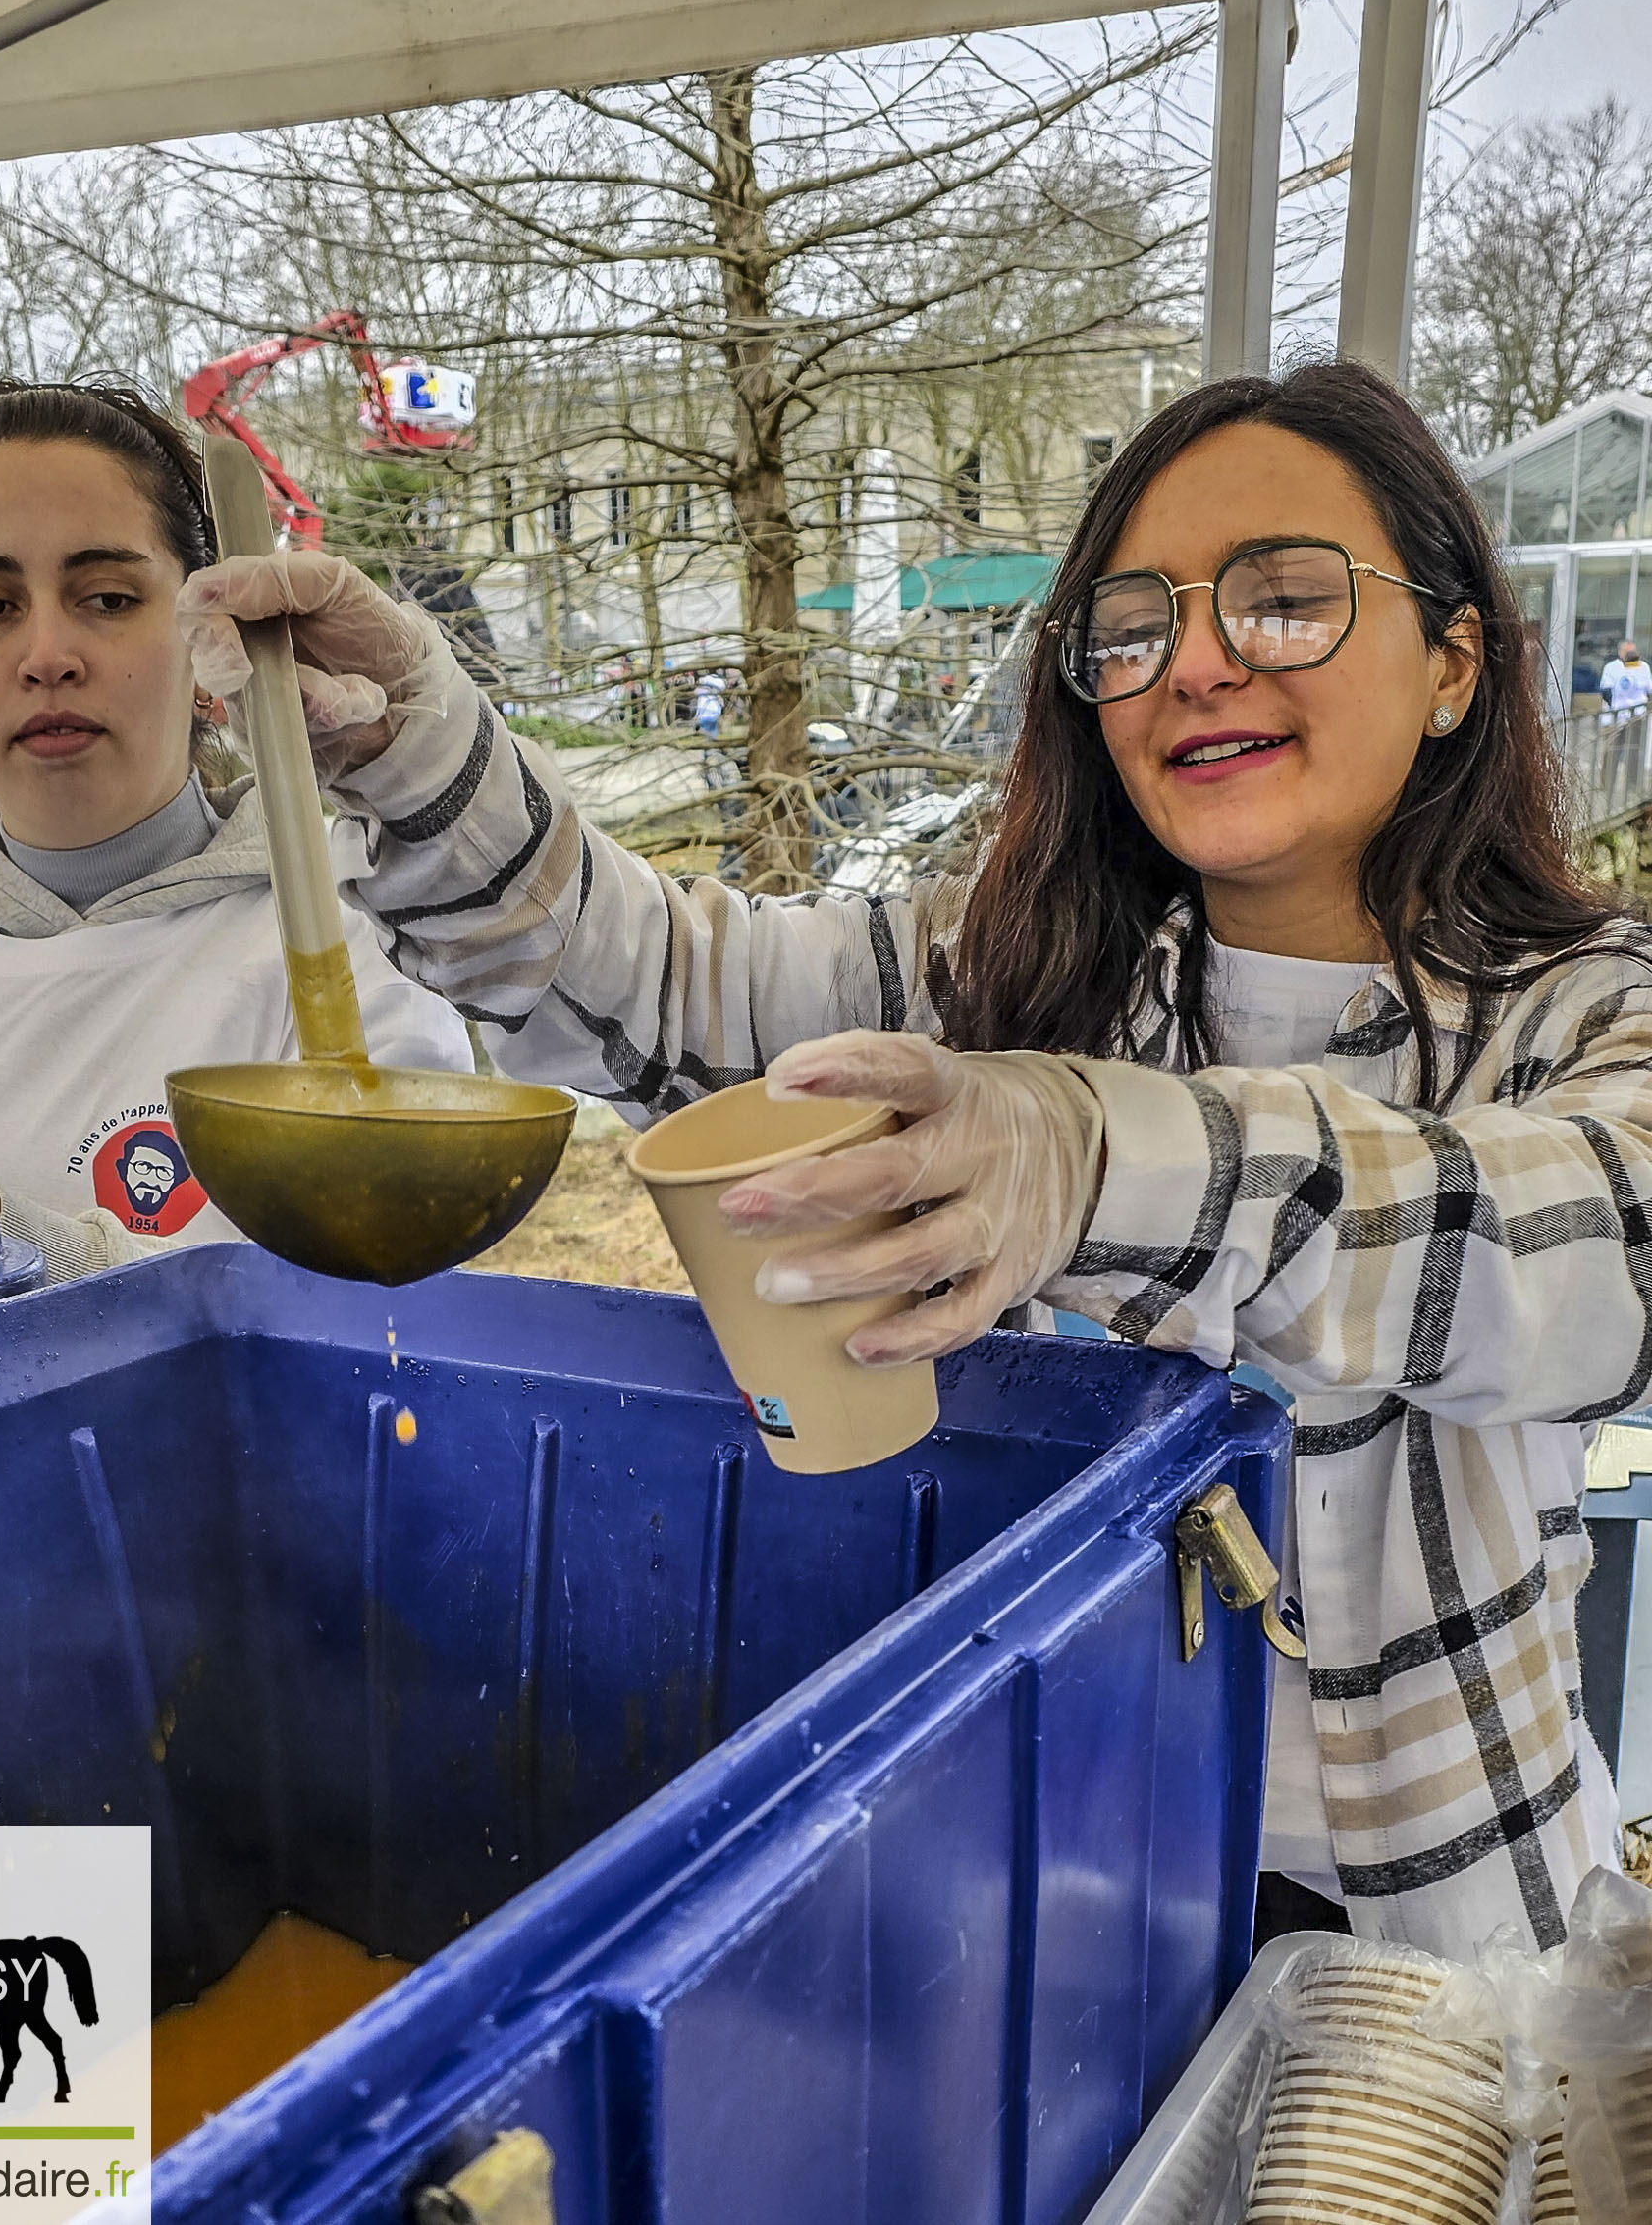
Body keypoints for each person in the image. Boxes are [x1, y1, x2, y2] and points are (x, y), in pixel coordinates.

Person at [181, 361, 1652, 1963]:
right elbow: (660, 985)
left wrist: (1093, 1156)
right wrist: (417, 743)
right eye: (1134, 626)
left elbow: (1592, 1261)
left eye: (1284, 600)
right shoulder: (1008, 977)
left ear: (1453, 665)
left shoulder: (1581, 1010)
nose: (1200, 666)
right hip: (1062, 1893)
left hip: (1438, 1955)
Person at [0, 377, 470, 1278]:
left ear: (211, 636)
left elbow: (357, 1329)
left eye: (108, 598)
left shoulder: (353, 947)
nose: (48, 655)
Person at [1601, 638, 1652, 717]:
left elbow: (1649, 689)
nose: (1630, 655)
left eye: (1633, 652)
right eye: (1627, 652)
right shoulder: (1611, 667)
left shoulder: (1644, 666)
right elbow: (1606, 691)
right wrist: (1617, 706)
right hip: (1617, 715)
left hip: (1639, 715)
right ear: (1619, 652)